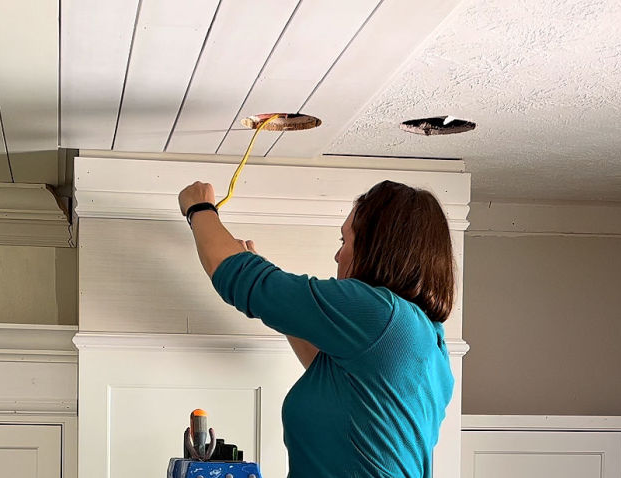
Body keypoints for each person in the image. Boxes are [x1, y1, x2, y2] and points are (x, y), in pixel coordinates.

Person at [178, 179, 455, 478]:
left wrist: (199, 207)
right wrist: (283, 308)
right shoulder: (428, 342)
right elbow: (330, 374)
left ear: (376, 247)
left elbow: (240, 279)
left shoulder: (380, 314)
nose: (338, 255)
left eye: (344, 241)